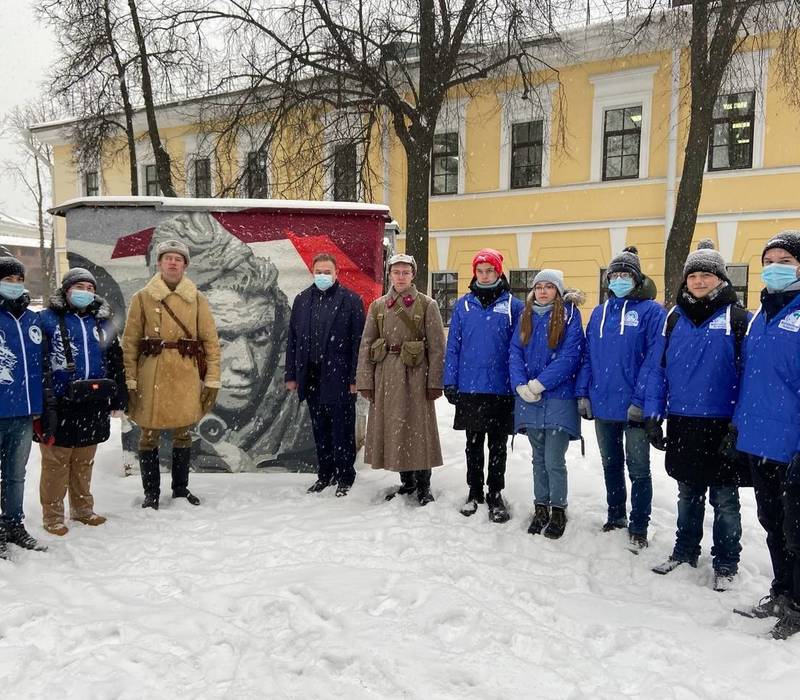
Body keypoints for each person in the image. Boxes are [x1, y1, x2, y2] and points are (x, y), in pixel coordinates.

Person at [644, 241, 750, 591]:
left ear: (720, 279)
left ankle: (726, 561)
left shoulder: (738, 318)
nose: (699, 281)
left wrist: (738, 426)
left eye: (707, 274)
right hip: (682, 420)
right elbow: (659, 370)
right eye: (694, 275)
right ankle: (685, 549)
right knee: (687, 492)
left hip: (722, 423)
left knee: (724, 497)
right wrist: (652, 413)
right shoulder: (673, 318)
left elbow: (751, 377)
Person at [731, 230, 800, 639]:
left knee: (798, 528)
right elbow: (751, 377)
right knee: (772, 522)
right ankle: (781, 592)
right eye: (769, 261)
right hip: (760, 438)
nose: (775, 268)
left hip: (793, 442)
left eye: (786, 261)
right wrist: (738, 423)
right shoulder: (760, 314)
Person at [576, 246, 665, 551]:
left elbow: (655, 360)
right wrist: (583, 393)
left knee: (638, 469)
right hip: (603, 405)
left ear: (637, 278)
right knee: (611, 464)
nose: (619, 279)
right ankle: (616, 516)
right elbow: (587, 356)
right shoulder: (600, 313)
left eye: (626, 274)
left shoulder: (652, 312)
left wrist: (641, 400)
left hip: (633, 408)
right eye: (615, 274)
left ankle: (639, 525)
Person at [121, 239, 221, 509]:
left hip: (184, 373)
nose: (173, 262)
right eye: (168, 258)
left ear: (185, 265)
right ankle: (151, 494)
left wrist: (212, 378)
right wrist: (129, 379)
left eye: (178, 258)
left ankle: (180, 489)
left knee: (183, 433)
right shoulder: (142, 298)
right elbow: (129, 342)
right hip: (151, 373)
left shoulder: (197, 299)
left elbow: (210, 342)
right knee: (148, 435)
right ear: (159, 262)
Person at [36, 268, 127, 536]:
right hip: (61, 401)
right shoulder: (46, 320)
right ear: (66, 290)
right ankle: (52, 515)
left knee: (84, 459)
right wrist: (45, 397)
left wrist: (119, 393)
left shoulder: (102, 321)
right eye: (79, 287)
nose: (85, 292)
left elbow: (115, 359)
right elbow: (38, 362)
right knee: (56, 461)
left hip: (93, 400)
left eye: (90, 288)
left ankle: (82, 509)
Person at [356, 253, 445, 505]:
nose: (401, 277)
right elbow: (366, 345)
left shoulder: (427, 305)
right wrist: (365, 380)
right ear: (389, 274)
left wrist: (434, 382)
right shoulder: (378, 306)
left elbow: (437, 347)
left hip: (417, 374)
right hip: (386, 375)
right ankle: (407, 482)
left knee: (419, 428)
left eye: (406, 272)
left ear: (413, 274)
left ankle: (424, 484)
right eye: (396, 272)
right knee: (396, 428)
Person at [443, 249, 523, 522]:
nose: (485, 275)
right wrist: (450, 381)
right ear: (474, 273)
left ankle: (495, 493)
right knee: (473, 444)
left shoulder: (514, 306)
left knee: (498, 445)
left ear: (499, 272)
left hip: (501, 388)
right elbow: (453, 346)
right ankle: (474, 491)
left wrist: (517, 383)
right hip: (471, 386)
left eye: (490, 270)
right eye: (481, 270)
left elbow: (519, 348)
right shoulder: (463, 305)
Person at [509, 269, 585, 539]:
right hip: (529, 398)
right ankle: (540, 506)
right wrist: (520, 385)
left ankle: (558, 510)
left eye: (549, 287)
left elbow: (570, 357)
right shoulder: (525, 315)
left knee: (554, 459)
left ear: (558, 291)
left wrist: (539, 384)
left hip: (558, 397)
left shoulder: (570, 316)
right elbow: (515, 352)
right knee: (537, 458)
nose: (543, 291)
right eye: (538, 287)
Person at [285, 252, 365, 496]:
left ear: (336, 273)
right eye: (318, 271)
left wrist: (355, 379)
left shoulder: (351, 300)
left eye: (327, 272)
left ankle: (345, 476)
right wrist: (291, 375)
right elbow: (293, 341)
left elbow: (358, 343)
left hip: (340, 378)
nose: (322, 276)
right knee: (319, 429)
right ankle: (325, 474)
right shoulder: (301, 300)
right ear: (312, 272)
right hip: (311, 377)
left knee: (342, 429)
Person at [0, 256, 45, 557]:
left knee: (16, 475)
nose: (15, 286)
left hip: (24, 413)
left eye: (19, 280)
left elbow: (41, 366)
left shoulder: (32, 319)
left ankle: (14, 525)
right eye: (8, 280)